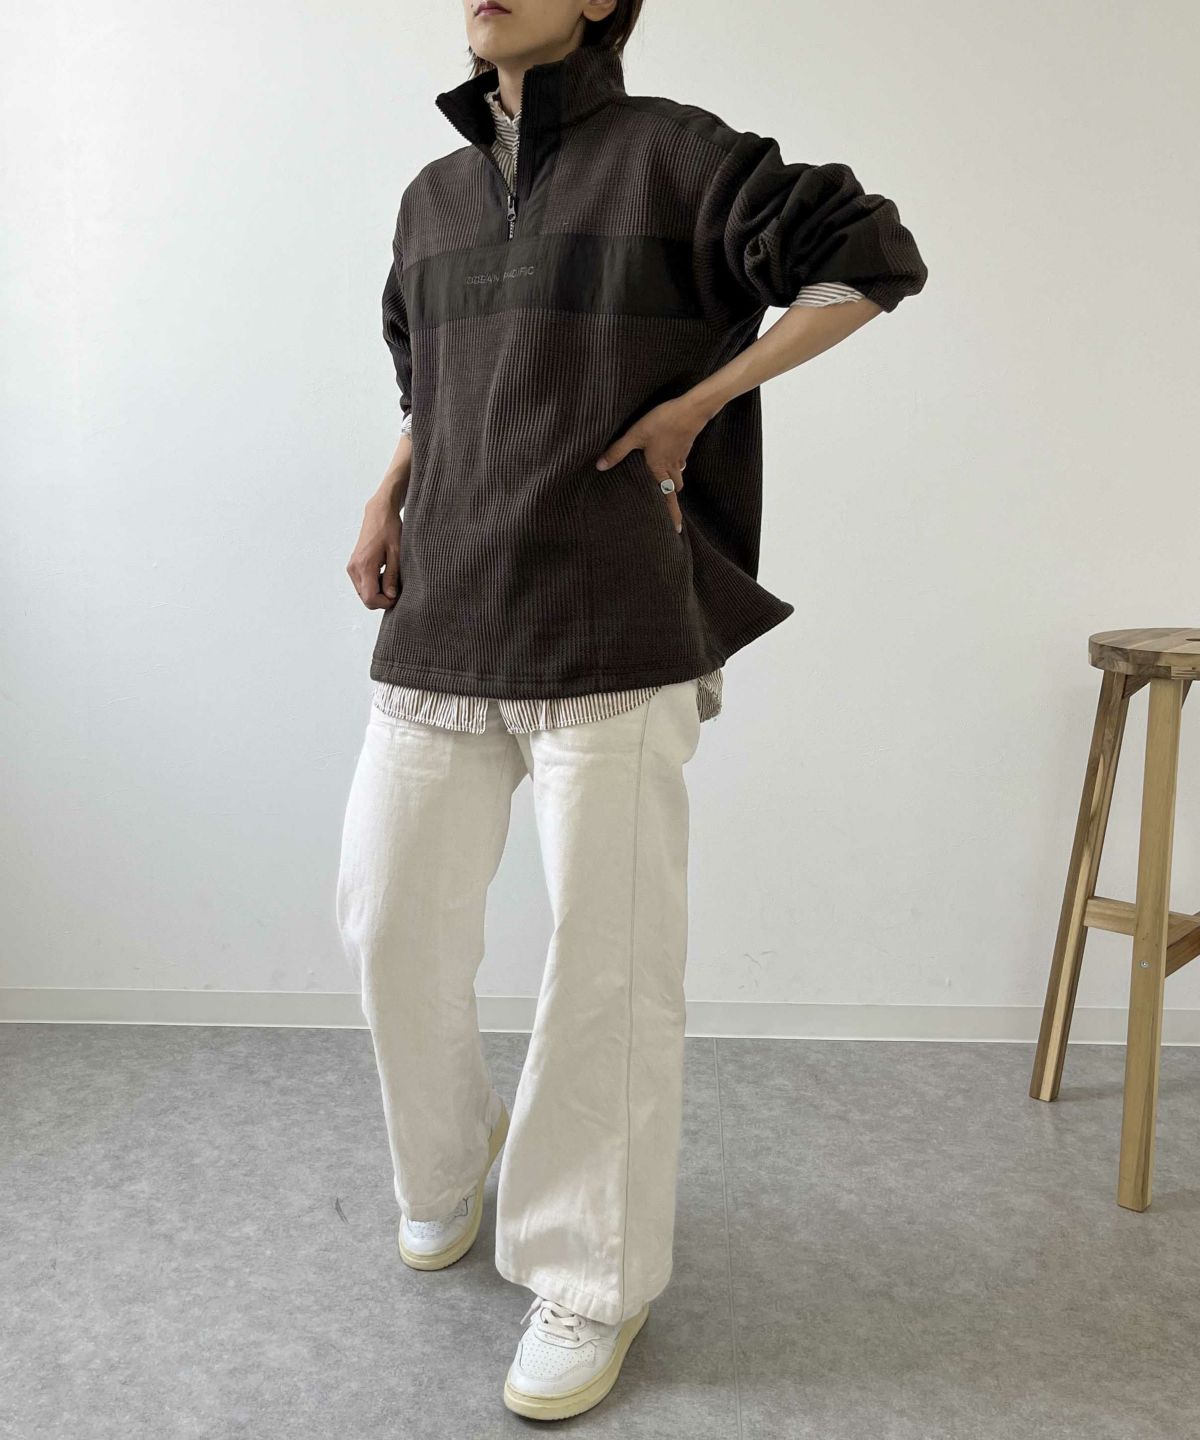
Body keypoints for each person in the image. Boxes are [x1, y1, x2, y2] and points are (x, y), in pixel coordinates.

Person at [336, 0, 927, 1421]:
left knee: (605, 964)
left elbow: (869, 257)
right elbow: (438, 385)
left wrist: (701, 404)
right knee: (386, 917)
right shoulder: (431, 197)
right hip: (448, 607)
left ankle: (590, 1274)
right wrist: (387, 489)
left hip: (612, 609)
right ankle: (453, 1163)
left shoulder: (674, 154)